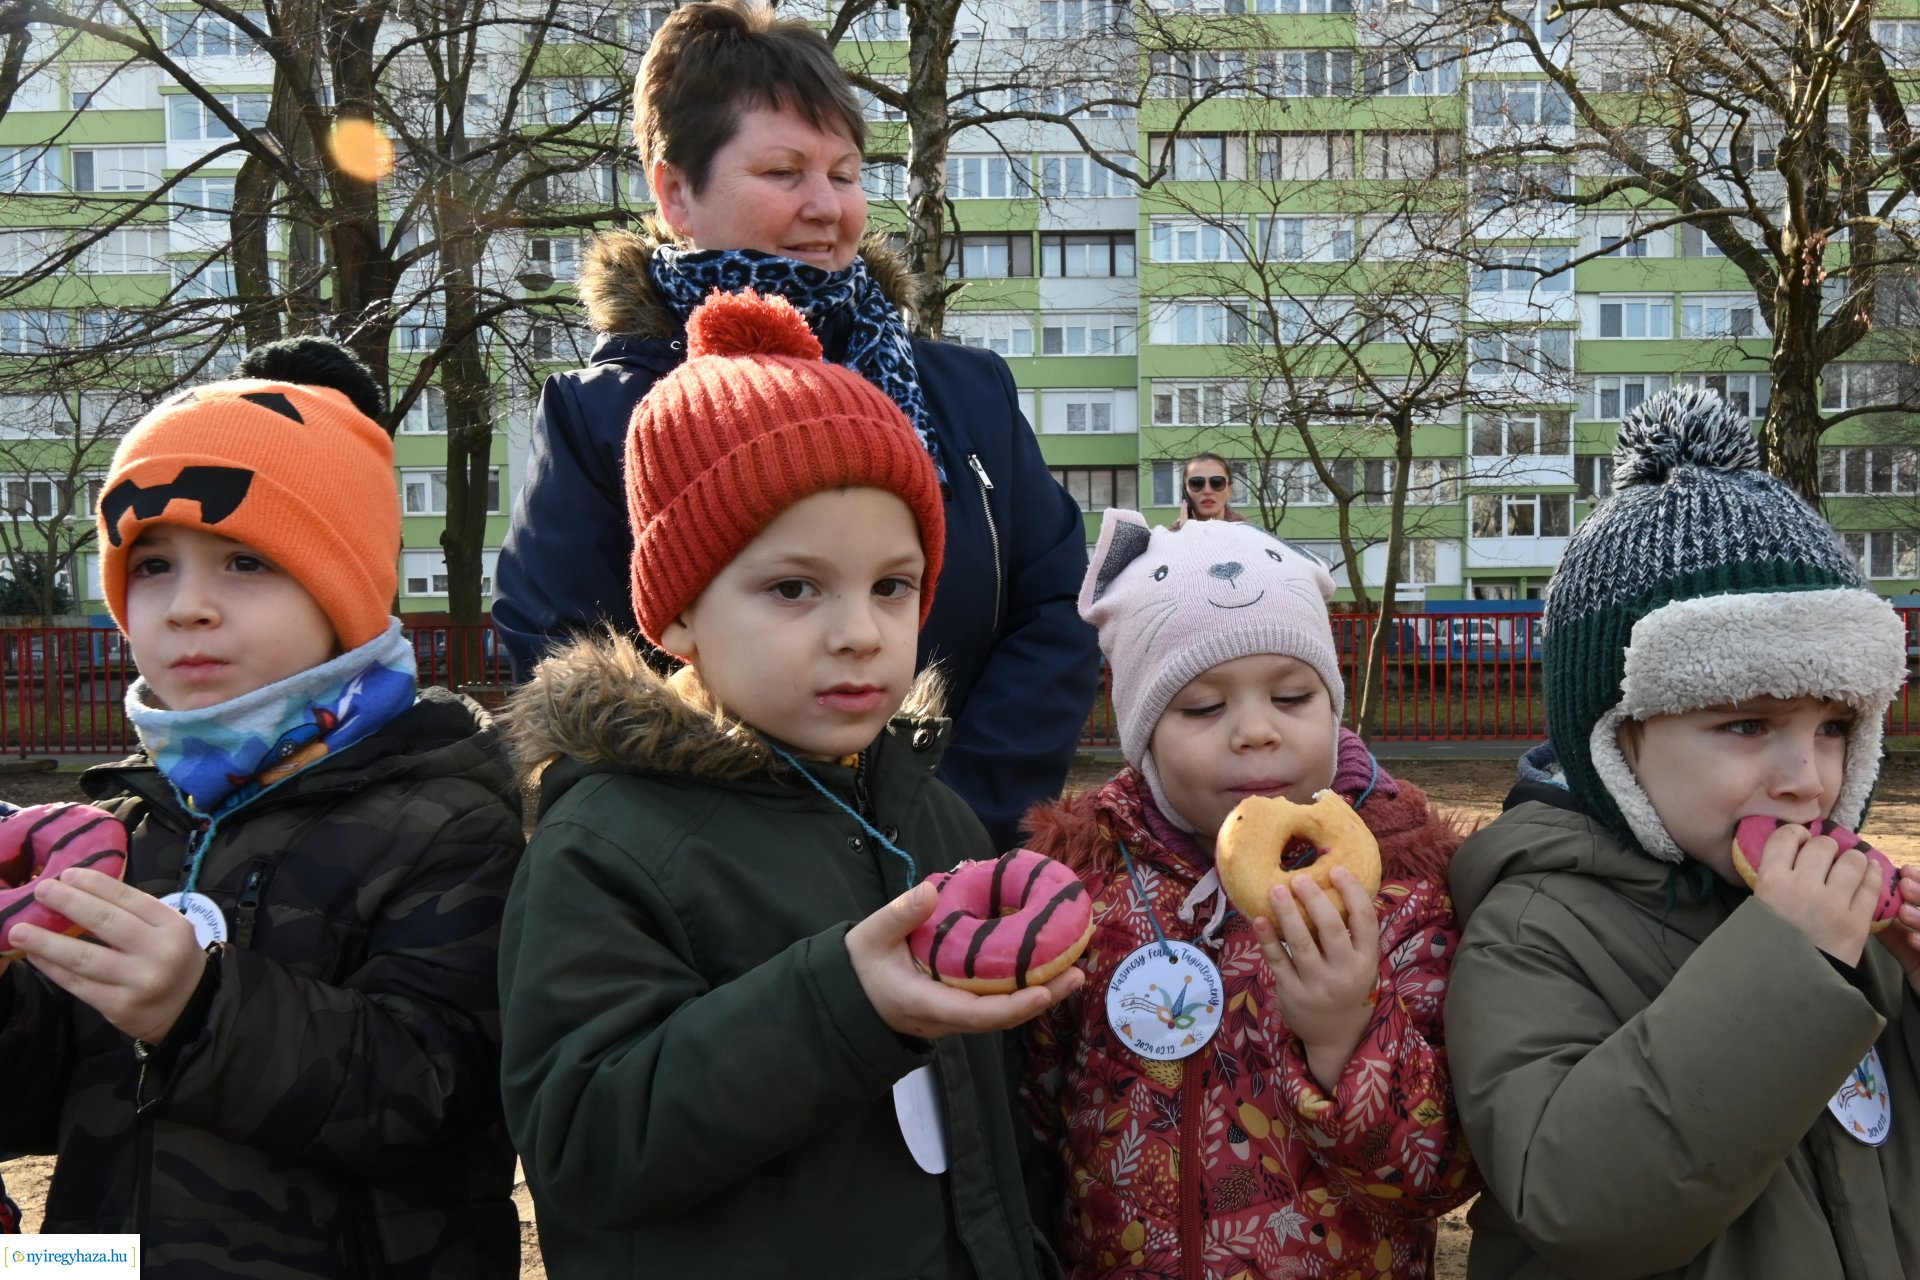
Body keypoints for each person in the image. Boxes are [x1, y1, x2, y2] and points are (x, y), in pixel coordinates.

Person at [498, 290, 1079, 1280]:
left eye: (892, 586)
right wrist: (844, 1003)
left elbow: (989, 1136)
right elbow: (584, 1142)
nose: (859, 632)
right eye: (793, 587)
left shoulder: (930, 812)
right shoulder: (608, 841)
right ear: (677, 613)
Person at [492, 0, 1099, 852]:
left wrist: (943, 821)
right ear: (676, 192)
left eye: (845, 174)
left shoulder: (967, 394)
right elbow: (570, 662)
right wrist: (775, 853)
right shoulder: (604, 415)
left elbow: (1055, 607)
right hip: (721, 877)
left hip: (962, 852)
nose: (826, 207)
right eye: (784, 173)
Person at [0, 338, 523, 1276]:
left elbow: (443, 1090)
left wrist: (199, 1010)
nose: (187, 606)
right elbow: (36, 1105)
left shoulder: (444, 815)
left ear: (344, 589)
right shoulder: (123, 822)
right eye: (151, 565)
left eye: (244, 561)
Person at [1444, 386, 1920, 1280]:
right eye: (1747, 724)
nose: (1807, 778)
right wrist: (1789, 967)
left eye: (1834, 727)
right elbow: (1575, 1201)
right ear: (1615, 741)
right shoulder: (1535, 928)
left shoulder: (1854, 926)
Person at [1020, 508, 1478, 1278]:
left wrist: (1346, 1031)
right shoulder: (1085, 887)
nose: (1256, 731)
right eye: (1203, 706)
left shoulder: (1401, 895)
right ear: (1143, 734)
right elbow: (1031, 1122)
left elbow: (1435, 1179)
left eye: (1293, 697)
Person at [1168, 451, 1247, 529]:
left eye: (1217, 482)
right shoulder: (1168, 537)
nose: (1207, 491)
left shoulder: (1248, 534)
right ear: (1185, 492)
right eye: (1196, 483)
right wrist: (1183, 534)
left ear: (1229, 490)